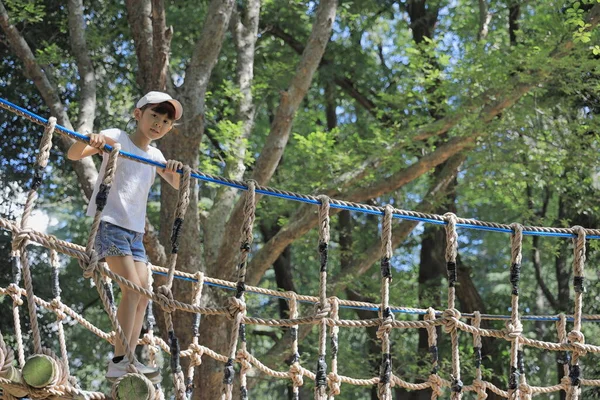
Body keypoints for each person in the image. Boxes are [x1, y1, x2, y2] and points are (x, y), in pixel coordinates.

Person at [67, 91, 184, 383]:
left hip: (135, 234)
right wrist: (90, 141)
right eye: (154, 115)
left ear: (169, 128)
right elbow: (73, 154)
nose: (158, 123)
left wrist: (177, 170)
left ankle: (129, 359)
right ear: (138, 114)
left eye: (166, 121)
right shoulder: (117, 137)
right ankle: (120, 361)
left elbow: (177, 184)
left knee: (143, 294)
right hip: (110, 224)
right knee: (132, 289)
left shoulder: (156, 155)